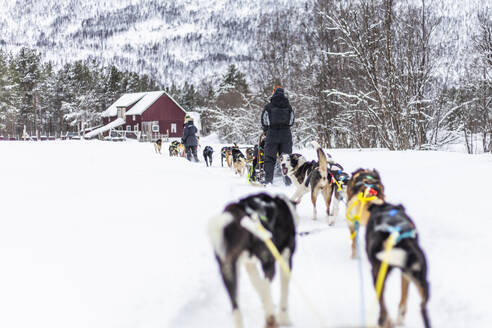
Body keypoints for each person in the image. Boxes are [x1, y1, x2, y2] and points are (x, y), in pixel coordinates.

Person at [261, 86, 294, 185]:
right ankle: (288, 182)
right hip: (286, 134)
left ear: (274, 93)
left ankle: (268, 181)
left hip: (272, 134)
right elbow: (291, 121)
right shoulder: (288, 107)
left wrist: (266, 130)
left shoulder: (268, 106)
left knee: (269, 158)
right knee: (287, 158)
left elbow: (264, 120)